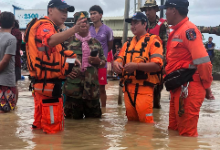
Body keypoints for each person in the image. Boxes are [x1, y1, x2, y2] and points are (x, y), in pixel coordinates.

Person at [24, 0, 84, 134]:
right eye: (61, 10)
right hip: (49, 87)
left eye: (66, 11)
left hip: (43, 86)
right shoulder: (45, 25)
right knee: (53, 131)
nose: (65, 14)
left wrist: (70, 58)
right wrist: (74, 30)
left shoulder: (44, 26)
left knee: (40, 128)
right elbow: (50, 41)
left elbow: (50, 53)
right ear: (50, 10)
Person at [159, 0, 214, 136]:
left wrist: (207, 87)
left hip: (189, 88)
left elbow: (203, 62)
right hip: (178, 87)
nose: (165, 13)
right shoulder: (176, 31)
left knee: (186, 136)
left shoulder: (189, 31)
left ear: (174, 10)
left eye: (167, 9)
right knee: (173, 131)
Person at [113, 12, 163, 123]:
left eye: (136, 23)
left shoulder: (154, 41)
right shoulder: (127, 44)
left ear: (145, 24)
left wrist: (136, 66)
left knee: (146, 125)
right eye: (131, 24)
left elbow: (157, 66)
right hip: (127, 88)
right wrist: (116, 64)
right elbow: (119, 59)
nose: (132, 26)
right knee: (131, 123)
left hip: (144, 89)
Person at [63, 11, 106, 119]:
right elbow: (58, 62)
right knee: (72, 126)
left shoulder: (96, 43)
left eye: (86, 21)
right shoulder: (66, 42)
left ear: (89, 25)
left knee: (94, 126)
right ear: (74, 25)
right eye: (80, 21)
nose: (83, 24)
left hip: (92, 91)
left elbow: (103, 62)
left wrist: (98, 61)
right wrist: (66, 72)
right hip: (73, 90)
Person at [140, 0, 170, 109]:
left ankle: (155, 117)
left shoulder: (163, 25)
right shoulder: (142, 23)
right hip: (143, 62)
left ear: (156, 10)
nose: (147, 12)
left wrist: (164, 63)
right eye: (146, 10)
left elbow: (166, 44)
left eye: (149, 10)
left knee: (156, 92)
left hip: (157, 62)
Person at [89, 5, 114, 107]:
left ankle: (103, 110)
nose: (92, 16)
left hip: (101, 64)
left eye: (94, 13)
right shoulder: (88, 30)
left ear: (100, 15)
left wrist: (102, 56)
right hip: (89, 64)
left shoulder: (108, 30)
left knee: (101, 88)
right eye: (91, 14)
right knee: (89, 87)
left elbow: (110, 46)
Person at [0, 12, 17, 113]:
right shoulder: (11, 39)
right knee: (6, 114)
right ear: (13, 24)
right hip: (6, 81)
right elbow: (5, 61)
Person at [11, 20, 22, 104]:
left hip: (14, 63)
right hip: (15, 62)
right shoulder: (16, 32)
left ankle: (14, 104)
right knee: (14, 85)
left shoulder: (16, 33)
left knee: (14, 84)